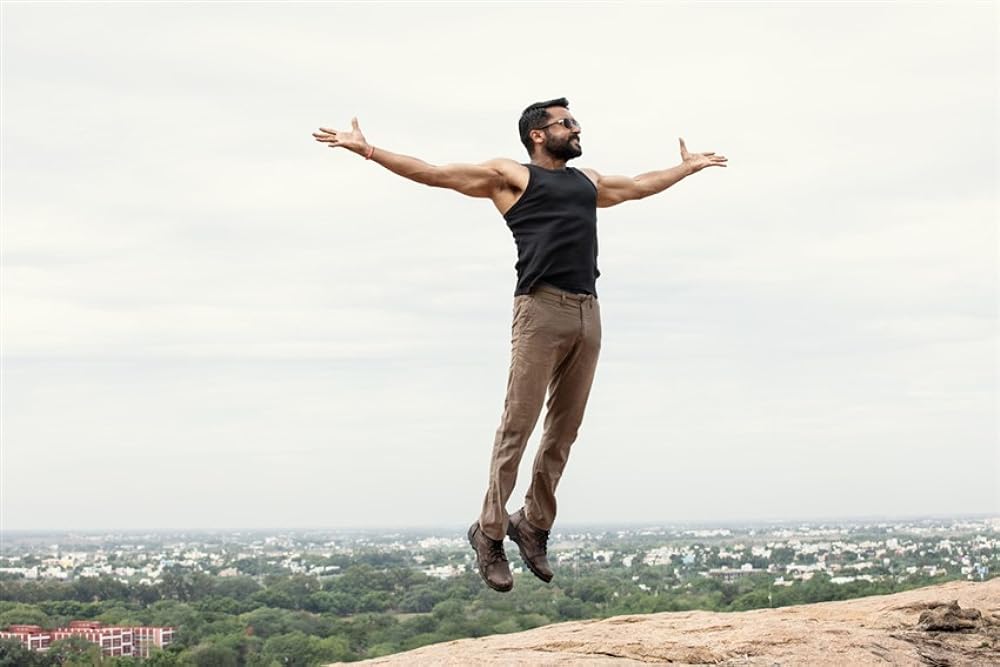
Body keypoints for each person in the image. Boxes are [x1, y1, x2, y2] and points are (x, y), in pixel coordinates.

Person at [312, 98, 726, 592]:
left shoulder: (587, 181)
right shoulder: (510, 176)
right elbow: (435, 173)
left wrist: (685, 169)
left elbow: (637, 186)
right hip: (540, 308)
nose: (576, 129)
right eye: (566, 123)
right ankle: (488, 532)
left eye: (576, 122)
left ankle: (532, 523)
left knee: (564, 430)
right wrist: (368, 150)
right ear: (538, 134)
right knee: (518, 427)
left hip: (588, 310)